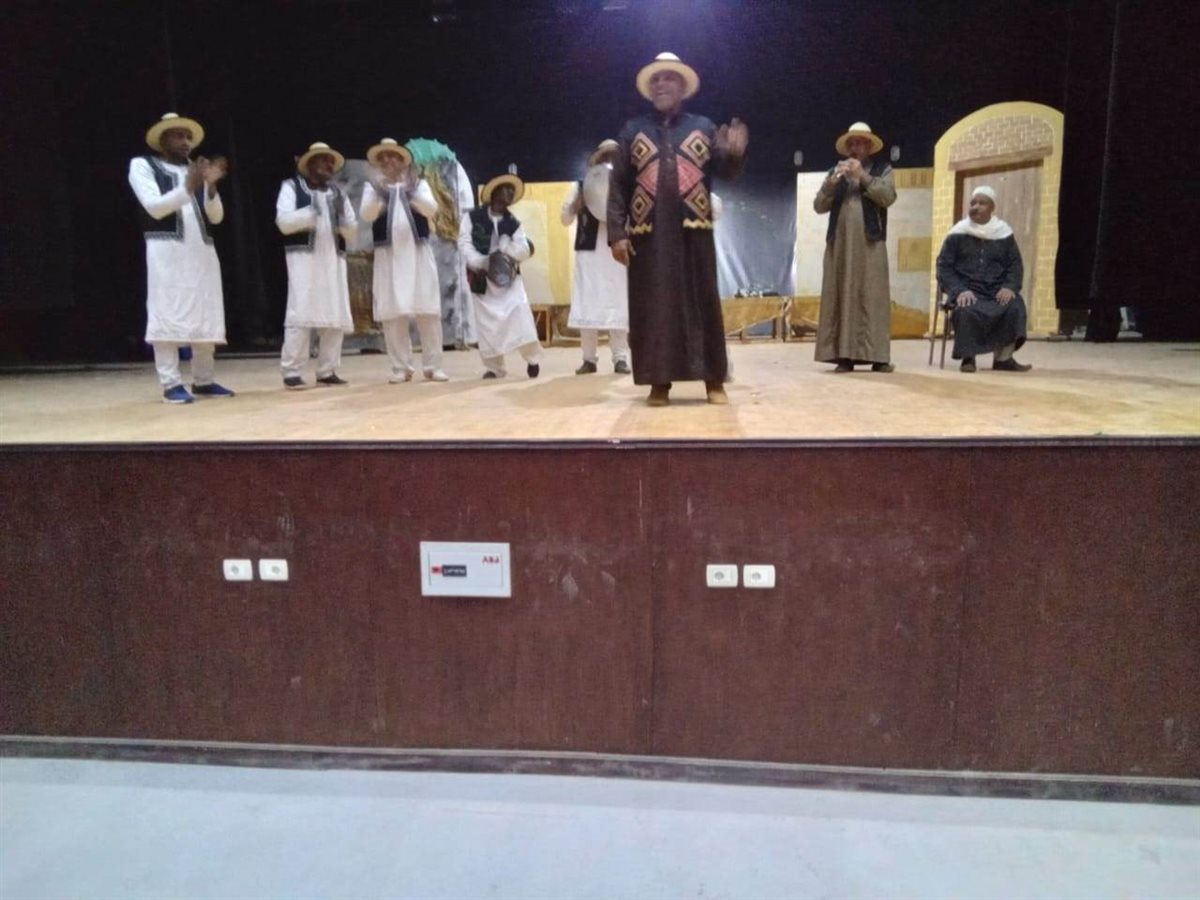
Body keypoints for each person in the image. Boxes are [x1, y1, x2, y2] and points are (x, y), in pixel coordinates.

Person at [607, 52, 748, 406]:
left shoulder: (704, 126)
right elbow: (619, 184)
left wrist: (734, 153)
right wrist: (617, 233)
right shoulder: (633, 130)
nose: (661, 84)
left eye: (668, 78)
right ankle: (659, 381)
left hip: (693, 233)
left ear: (683, 87)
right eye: (655, 79)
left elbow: (727, 171)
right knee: (652, 306)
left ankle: (713, 380)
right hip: (648, 237)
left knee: (703, 302)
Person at [128, 112, 233, 404]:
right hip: (167, 251)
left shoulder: (197, 170)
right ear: (162, 140)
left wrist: (210, 187)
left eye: (188, 137)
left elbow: (216, 217)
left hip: (202, 251)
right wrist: (188, 186)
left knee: (205, 313)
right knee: (168, 312)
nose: (186, 142)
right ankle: (171, 383)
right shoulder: (142, 165)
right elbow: (154, 207)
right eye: (178, 136)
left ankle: (204, 380)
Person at [360, 138, 448, 383]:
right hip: (389, 257)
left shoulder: (419, 184)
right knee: (393, 314)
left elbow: (431, 209)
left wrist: (407, 191)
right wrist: (384, 191)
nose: (388, 161)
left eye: (393, 156)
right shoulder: (372, 187)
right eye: (383, 157)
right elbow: (366, 213)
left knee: (428, 311)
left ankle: (433, 366)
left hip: (418, 254)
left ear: (402, 161)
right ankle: (401, 367)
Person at [813, 122, 897, 373]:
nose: (854, 147)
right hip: (839, 247)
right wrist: (831, 183)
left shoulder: (882, 170)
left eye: (859, 143)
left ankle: (878, 356)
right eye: (851, 143)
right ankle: (844, 356)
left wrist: (863, 176)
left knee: (873, 297)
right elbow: (819, 206)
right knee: (841, 295)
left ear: (869, 147)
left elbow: (888, 197)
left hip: (870, 245)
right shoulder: (835, 172)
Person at [275, 142, 357, 389]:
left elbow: (352, 231)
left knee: (335, 314)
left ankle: (327, 369)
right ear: (309, 164)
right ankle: (292, 370)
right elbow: (283, 222)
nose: (329, 165)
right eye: (324, 160)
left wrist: (340, 218)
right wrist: (314, 211)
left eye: (331, 161)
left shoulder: (338, 195)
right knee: (300, 313)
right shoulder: (291, 187)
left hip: (333, 261)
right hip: (304, 260)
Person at [936, 186, 1031, 372]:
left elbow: (1015, 265)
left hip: (995, 291)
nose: (976, 207)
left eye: (982, 203)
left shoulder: (1003, 233)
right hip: (967, 290)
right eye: (973, 203)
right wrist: (959, 290)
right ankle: (968, 358)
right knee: (966, 308)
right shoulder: (957, 233)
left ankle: (1003, 359)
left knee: (1014, 305)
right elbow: (944, 267)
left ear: (992, 208)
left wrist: (1009, 286)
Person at [457, 172, 542, 379]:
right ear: (494, 192)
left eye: (512, 191)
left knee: (520, 313)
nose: (510, 193)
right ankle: (495, 368)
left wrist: (506, 248)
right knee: (487, 325)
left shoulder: (514, 223)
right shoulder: (471, 218)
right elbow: (464, 243)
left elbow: (524, 249)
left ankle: (532, 359)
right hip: (481, 279)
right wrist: (480, 262)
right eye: (507, 189)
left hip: (509, 280)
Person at [562, 139, 630, 375]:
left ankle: (620, 358)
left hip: (615, 251)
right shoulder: (581, 186)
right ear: (598, 160)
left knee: (617, 302)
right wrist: (577, 203)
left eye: (614, 157)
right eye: (606, 157)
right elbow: (564, 219)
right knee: (587, 303)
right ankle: (589, 359)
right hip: (588, 254)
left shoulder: (625, 186)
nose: (609, 161)